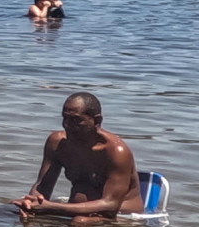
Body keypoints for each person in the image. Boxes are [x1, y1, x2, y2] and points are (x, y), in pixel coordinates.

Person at [12, 92, 145, 220]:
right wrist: (31, 202)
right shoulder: (57, 143)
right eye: (65, 118)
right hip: (78, 210)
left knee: (80, 222)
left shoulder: (116, 152)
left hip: (122, 215)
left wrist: (51, 207)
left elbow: (111, 205)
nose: (68, 125)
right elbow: (43, 186)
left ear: (97, 121)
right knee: (12, 212)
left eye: (76, 120)